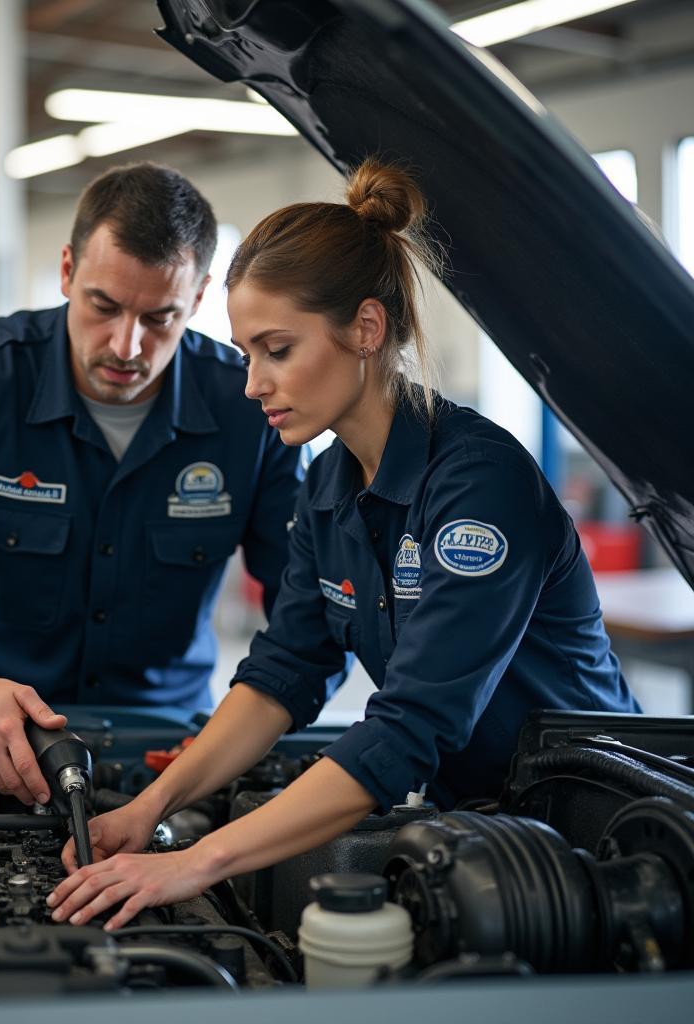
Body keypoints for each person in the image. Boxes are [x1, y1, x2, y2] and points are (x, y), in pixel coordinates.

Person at [45, 157, 641, 930]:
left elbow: (409, 727)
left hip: (603, 827)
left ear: (366, 328)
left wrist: (196, 860)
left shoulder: (477, 486)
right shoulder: (328, 486)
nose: (252, 381)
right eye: (245, 350)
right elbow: (285, 672)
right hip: (491, 827)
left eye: (277, 349)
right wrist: (151, 808)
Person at [0, 163, 327, 808]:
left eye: (160, 317)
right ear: (67, 271)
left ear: (200, 297)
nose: (127, 345)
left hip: (171, 752)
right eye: (104, 306)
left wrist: (243, 725)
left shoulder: (249, 410)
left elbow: (313, 600)